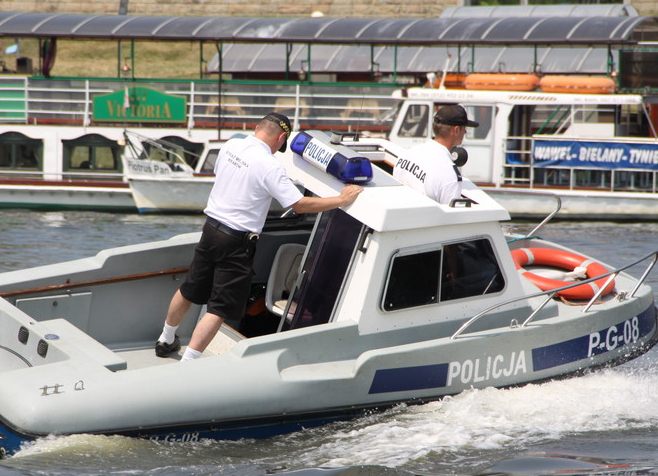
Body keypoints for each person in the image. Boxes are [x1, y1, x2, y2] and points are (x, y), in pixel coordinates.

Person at [155, 112, 364, 361]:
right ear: (281, 137)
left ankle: (165, 340)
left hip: (210, 230)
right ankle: (189, 366)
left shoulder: (231, 145)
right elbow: (299, 204)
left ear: (257, 128)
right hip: (235, 242)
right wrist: (341, 199)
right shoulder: (270, 165)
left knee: (190, 290)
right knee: (219, 308)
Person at [392, 103, 479, 205]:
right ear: (456, 130)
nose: (465, 132)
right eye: (464, 128)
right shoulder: (449, 175)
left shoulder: (408, 153)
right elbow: (451, 216)